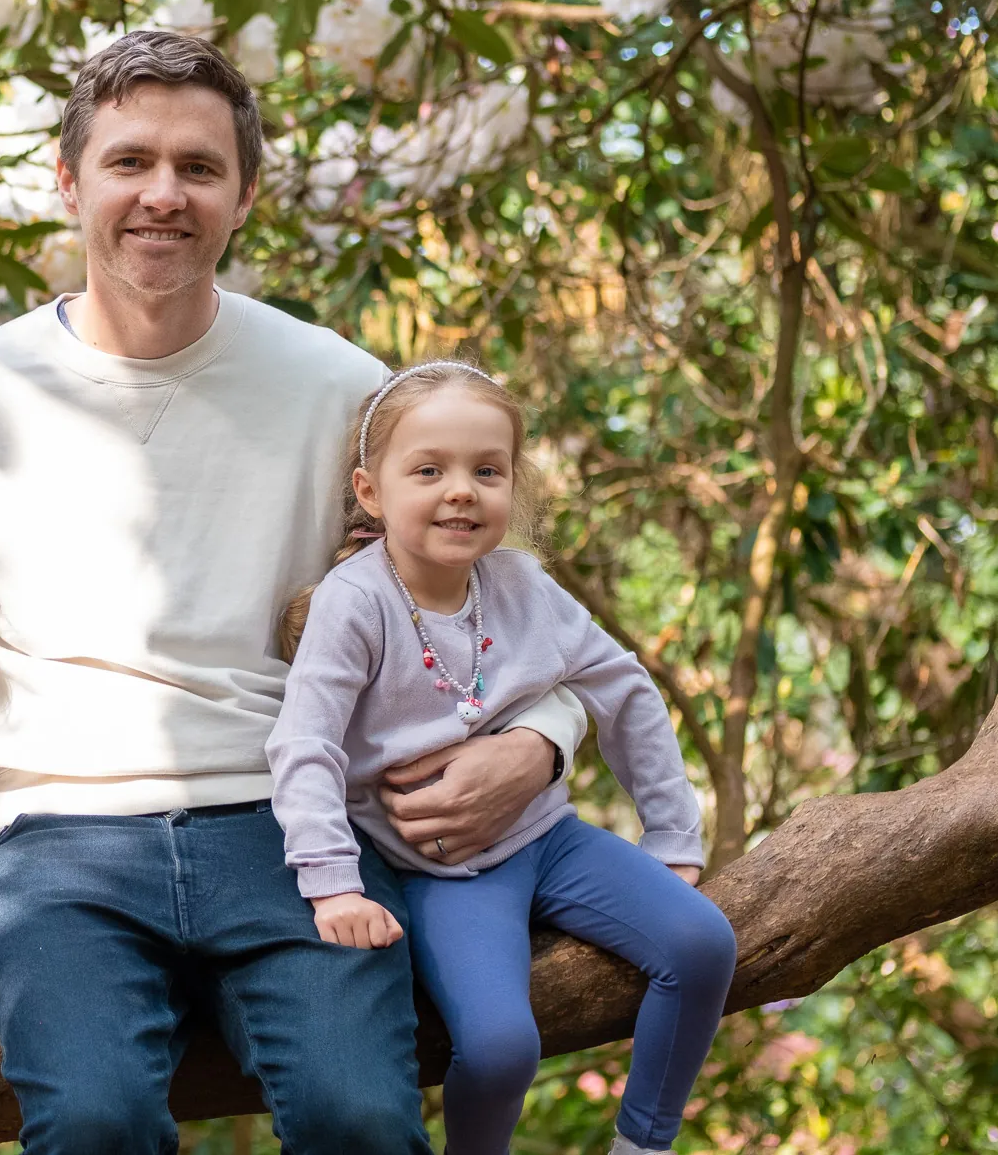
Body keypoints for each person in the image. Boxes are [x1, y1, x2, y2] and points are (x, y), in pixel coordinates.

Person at [0, 29, 590, 1153]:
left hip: (286, 826)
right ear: (68, 181)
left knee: (362, 1119)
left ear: (242, 194)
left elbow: (499, 608)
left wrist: (543, 740)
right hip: (52, 841)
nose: (162, 195)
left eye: (197, 169)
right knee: (99, 1125)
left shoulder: (339, 389)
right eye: (129, 162)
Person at [268, 360, 739, 1155]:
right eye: (430, 469)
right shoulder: (356, 602)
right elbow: (304, 742)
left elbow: (625, 688)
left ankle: (644, 1141)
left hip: (549, 839)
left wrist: (673, 838)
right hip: (444, 872)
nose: (462, 490)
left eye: (487, 470)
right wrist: (333, 884)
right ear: (371, 490)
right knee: (499, 1048)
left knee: (702, 946)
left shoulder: (520, 581)